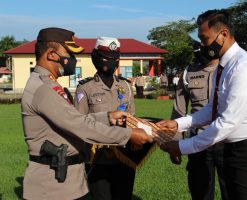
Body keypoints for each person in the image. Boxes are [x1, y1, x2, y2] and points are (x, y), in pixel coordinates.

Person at [158, 10, 247, 200]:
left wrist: (183, 146)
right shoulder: (224, 66)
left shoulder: (243, 66)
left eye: (204, 38)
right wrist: (178, 124)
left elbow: (226, 123)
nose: (201, 44)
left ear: (223, 34)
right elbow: (213, 109)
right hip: (236, 151)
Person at [21, 27, 152, 200]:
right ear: (52, 54)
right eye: (69, 53)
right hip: (53, 187)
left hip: (65, 180)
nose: (73, 60)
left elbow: (74, 120)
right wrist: (128, 135)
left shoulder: (46, 85)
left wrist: (106, 117)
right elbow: (80, 126)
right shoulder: (44, 89)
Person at [74, 37, 136, 200]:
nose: (111, 61)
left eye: (115, 58)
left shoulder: (126, 86)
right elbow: (79, 122)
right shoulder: (85, 87)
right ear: (96, 58)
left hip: (124, 156)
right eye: (106, 57)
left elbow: (132, 119)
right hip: (98, 158)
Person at [170, 40, 228, 200]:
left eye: (203, 43)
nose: (199, 48)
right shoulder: (188, 72)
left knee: (232, 192)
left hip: (228, 143)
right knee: (200, 193)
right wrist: (176, 143)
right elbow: (178, 111)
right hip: (198, 144)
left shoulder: (230, 68)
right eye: (198, 45)